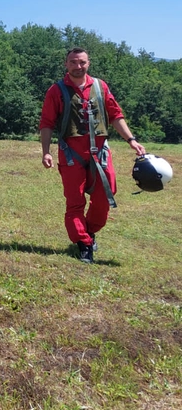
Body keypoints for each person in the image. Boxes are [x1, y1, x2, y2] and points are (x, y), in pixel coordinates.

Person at [39, 48, 145, 264]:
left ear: (89, 63)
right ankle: (84, 243)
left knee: (106, 196)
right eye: (73, 62)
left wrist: (131, 140)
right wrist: (46, 152)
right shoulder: (56, 90)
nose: (78, 66)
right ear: (66, 64)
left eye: (82, 62)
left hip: (100, 153)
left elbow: (115, 115)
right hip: (71, 153)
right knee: (75, 201)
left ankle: (90, 230)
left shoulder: (100, 86)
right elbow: (47, 123)